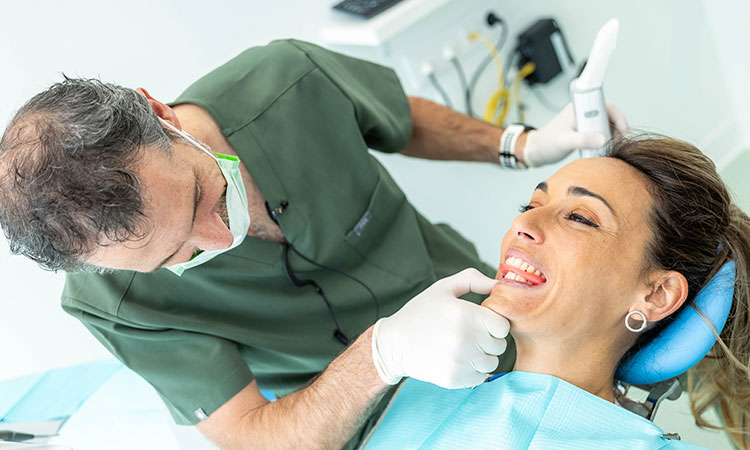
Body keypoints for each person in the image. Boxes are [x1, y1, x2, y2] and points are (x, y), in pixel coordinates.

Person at [0, 39, 625, 449]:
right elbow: (253, 435)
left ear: (159, 113)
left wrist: (518, 144)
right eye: (177, 258)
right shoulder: (112, 301)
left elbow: (396, 117)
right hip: (369, 419)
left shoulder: (286, 83)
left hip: (491, 315)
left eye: (197, 197)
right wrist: (381, 357)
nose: (223, 235)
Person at [365, 136, 750, 450]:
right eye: (531, 204)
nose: (523, 222)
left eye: (580, 218)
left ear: (657, 295)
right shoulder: (424, 388)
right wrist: (377, 356)